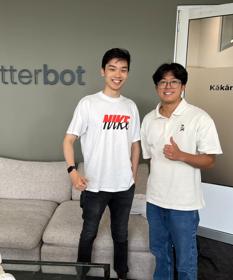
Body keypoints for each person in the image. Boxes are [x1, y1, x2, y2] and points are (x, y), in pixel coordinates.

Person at [63, 48, 140, 280]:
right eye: (112, 68)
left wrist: (132, 174)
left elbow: (136, 144)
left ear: (127, 73)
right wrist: (72, 172)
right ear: (103, 71)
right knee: (88, 234)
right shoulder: (88, 104)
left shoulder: (130, 106)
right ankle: (82, 274)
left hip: (124, 186)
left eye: (123, 69)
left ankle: (122, 275)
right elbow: (68, 140)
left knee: (121, 235)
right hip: (95, 186)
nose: (118, 74)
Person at [140, 63, 222, 280]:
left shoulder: (199, 117)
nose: (168, 86)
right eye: (162, 82)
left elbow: (210, 160)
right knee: (160, 254)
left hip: (184, 204)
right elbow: (150, 160)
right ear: (157, 86)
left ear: (183, 86)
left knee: (186, 259)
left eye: (174, 81)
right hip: (155, 202)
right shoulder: (149, 119)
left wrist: (181, 155)